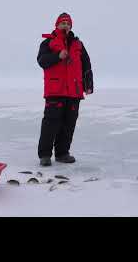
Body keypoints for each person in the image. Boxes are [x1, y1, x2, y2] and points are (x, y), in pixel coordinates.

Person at [36, 12, 94, 166]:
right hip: (55, 90)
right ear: (57, 25)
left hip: (74, 91)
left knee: (69, 124)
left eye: (68, 23)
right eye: (62, 23)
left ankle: (62, 153)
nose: (65, 25)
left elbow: (86, 66)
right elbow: (42, 61)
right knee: (50, 123)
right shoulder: (47, 43)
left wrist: (88, 85)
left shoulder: (78, 44)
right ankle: (45, 155)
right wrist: (57, 56)